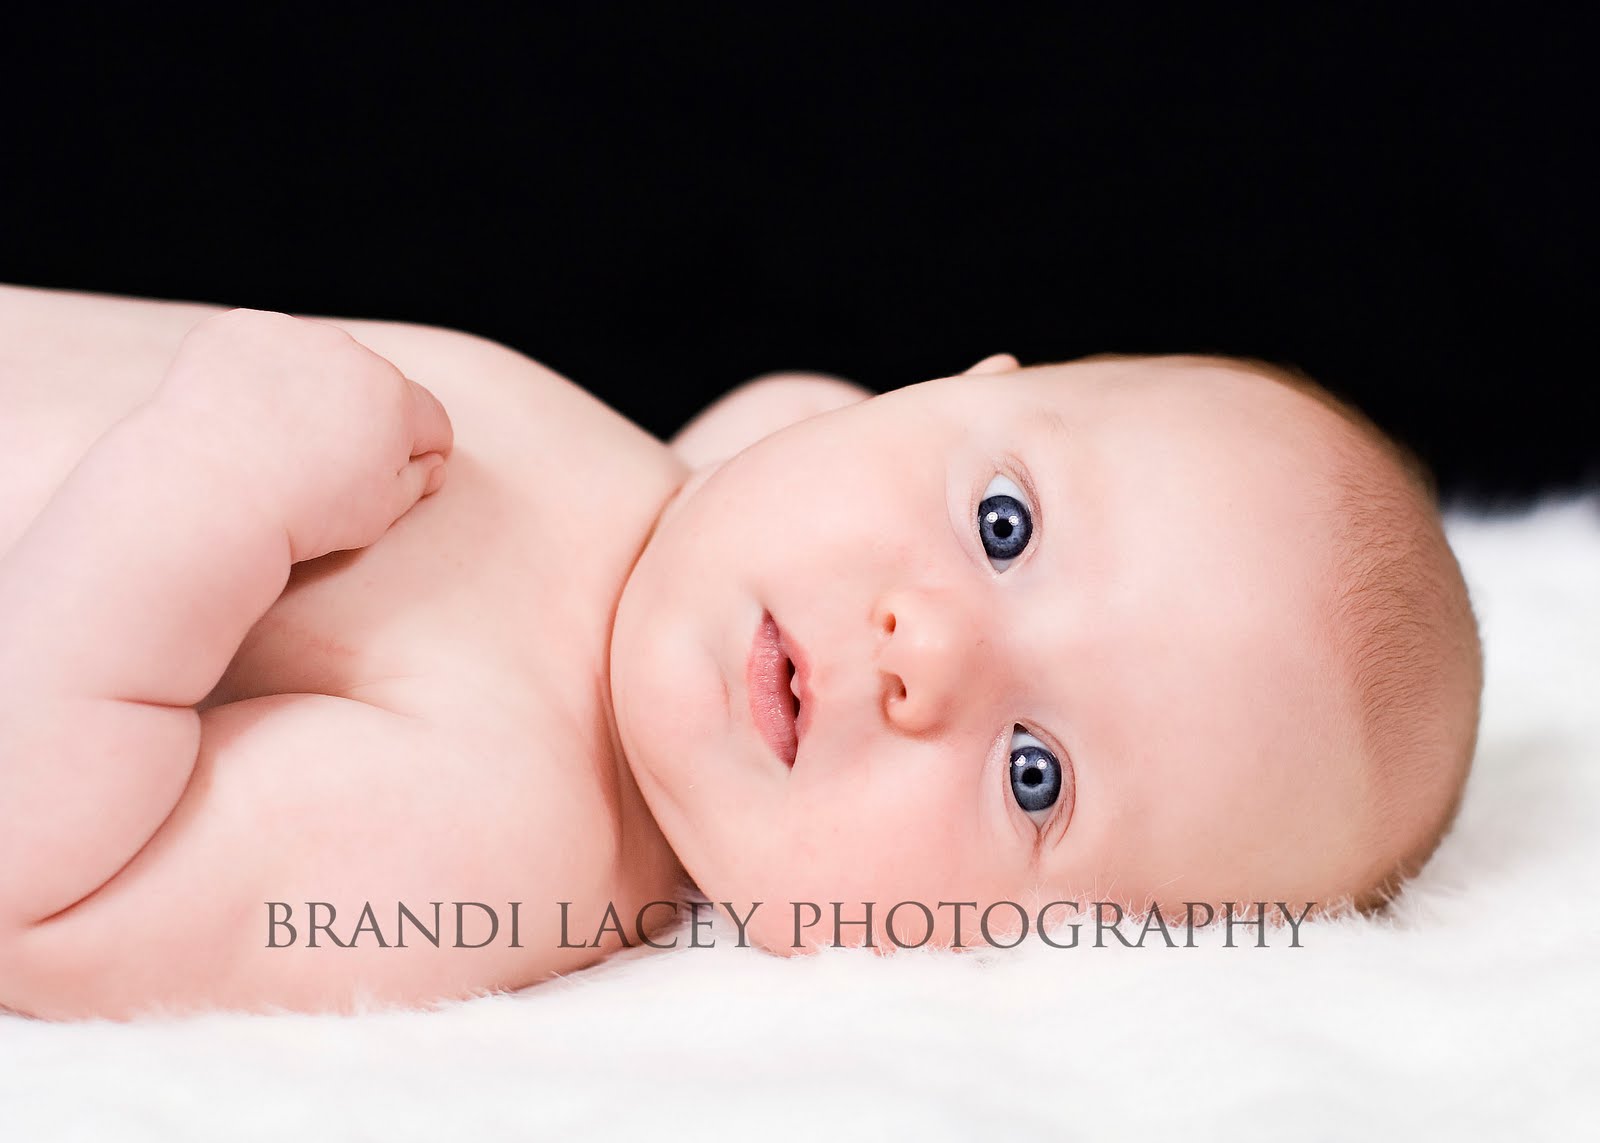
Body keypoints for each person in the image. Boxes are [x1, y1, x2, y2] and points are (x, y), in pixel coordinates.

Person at [0, 283, 1482, 1019]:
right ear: (941, 389)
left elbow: (37, 892)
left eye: (1034, 775)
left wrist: (199, 486)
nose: (926, 651)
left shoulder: (509, 828)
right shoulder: (680, 507)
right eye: (1004, 525)